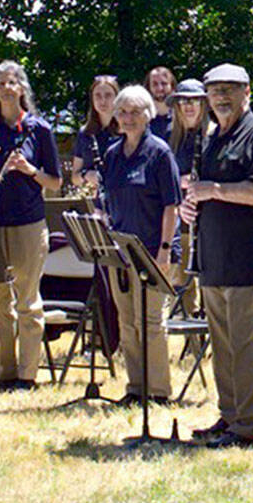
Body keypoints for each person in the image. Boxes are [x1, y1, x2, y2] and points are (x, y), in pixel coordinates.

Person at [182, 64, 253, 449]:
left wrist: (214, 190)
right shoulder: (212, 139)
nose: (221, 97)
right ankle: (230, 417)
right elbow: (203, 192)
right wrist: (190, 207)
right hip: (216, 260)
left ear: (247, 92)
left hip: (252, 261)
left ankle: (250, 428)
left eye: (229, 89)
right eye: (215, 91)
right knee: (223, 346)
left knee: (245, 348)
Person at [0, 61, 62, 391]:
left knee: (27, 300)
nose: (6, 88)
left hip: (28, 223)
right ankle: (3, 371)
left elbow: (55, 183)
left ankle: (27, 374)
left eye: (12, 82)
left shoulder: (40, 130)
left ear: (21, 88)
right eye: (0, 83)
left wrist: (29, 170)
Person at [102, 85, 182, 405]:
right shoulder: (111, 154)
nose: (128, 118)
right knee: (128, 322)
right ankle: (136, 388)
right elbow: (108, 200)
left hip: (153, 249)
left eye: (135, 112)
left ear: (148, 115)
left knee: (150, 321)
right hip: (121, 250)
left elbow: (171, 206)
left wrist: (164, 250)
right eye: (122, 112)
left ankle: (158, 392)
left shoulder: (160, 152)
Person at [167, 79, 210, 315]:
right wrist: (182, 183)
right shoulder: (171, 138)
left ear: (203, 104)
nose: (188, 106)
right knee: (183, 283)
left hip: (210, 219)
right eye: (183, 101)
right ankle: (192, 343)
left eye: (194, 101)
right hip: (181, 219)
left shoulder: (213, 134)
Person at [72, 75, 120, 197]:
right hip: (95, 201)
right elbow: (74, 177)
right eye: (97, 96)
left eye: (108, 95)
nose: (103, 101)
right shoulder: (85, 133)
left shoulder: (126, 130)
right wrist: (86, 175)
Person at [145, 66, 177, 141]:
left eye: (164, 83)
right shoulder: (142, 118)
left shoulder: (181, 117)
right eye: (155, 84)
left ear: (172, 86)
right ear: (149, 87)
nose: (160, 88)